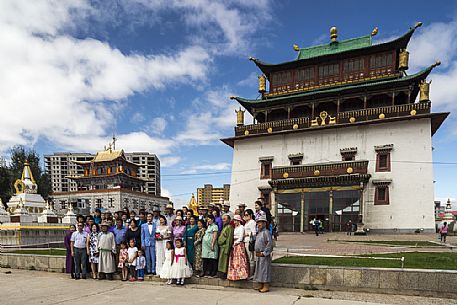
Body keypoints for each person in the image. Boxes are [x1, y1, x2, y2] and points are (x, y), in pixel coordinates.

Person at [254, 214, 273, 293]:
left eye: (260, 223)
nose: (258, 224)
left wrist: (264, 253)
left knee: (265, 270)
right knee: (259, 270)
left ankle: (266, 286)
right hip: (258, 255)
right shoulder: (259, 233)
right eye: (257, 223)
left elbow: (270, 244)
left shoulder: (266, 233)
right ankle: (260, 284)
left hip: (264, 255)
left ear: (264, 223)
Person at [227, 215, 249, 281]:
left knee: (240, 260)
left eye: (236, 220)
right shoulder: (235, 228)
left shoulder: (241, 227)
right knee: (234, 261)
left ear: (239, 221)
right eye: (234, 220)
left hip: (239, 245)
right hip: (234, 244)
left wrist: (236, 243)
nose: (235, 222)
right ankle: (234, 275)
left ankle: (242, 275)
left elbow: (241, 237)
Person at [217, 214, 234, 279]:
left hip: (225, 247)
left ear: (229, 220)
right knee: (221, 261)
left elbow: (229, 239)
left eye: (225, 219)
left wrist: (227, 249)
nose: (223, 220)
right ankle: (220, 273)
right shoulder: (224, 227)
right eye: (223, 219)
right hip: (221, 247)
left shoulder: (230, 227)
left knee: (224, 262)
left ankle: (224, 274)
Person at [243, 209, 256, 277]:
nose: (245, 216)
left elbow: (254, 233)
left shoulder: (252, 222)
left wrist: (246, 234)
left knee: (251, 258)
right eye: (244, 215)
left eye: (247, 215)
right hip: (245, 241)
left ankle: (251, 273)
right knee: (247, 258)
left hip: (249, 241)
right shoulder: (246, 223)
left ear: (250, 215)